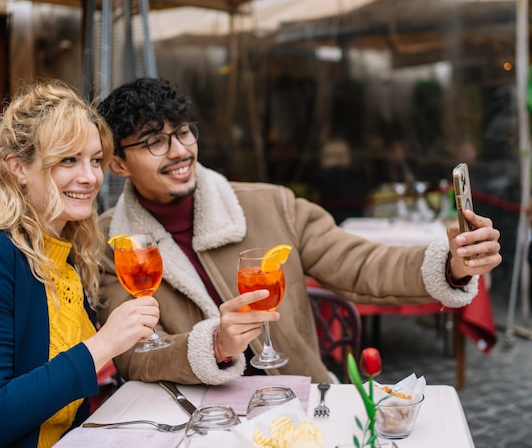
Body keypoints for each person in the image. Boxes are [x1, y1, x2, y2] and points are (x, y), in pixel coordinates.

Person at [96, 77, 502, 386]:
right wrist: (214, 345)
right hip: (196, 424)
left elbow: (361, 264)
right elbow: (134, 355)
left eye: (182, 132)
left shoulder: (271, 204)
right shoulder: (109, 241)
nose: (179, 151)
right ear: (118, 163)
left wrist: (451, 265)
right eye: (154, 142)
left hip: (299, 402)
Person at [0, 81, 160, 448]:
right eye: (68, 160)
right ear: (19, 168)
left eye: (95, 160)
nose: (90, 177)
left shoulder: (63, 257)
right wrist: (102, 344)